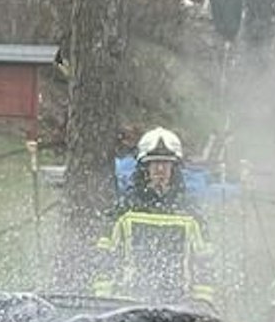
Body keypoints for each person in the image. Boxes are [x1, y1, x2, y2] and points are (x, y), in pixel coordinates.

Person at [92, 126, 217, 308]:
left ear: (174, 168)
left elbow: (204, 264)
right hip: (129, 304)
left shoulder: (190, 212)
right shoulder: (125, 210)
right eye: (154, 163)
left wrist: (202, 303)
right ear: (144, 167)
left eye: (166, 163)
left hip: (180, 305)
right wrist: (103, 302)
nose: (160, 169)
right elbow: (104, 259)